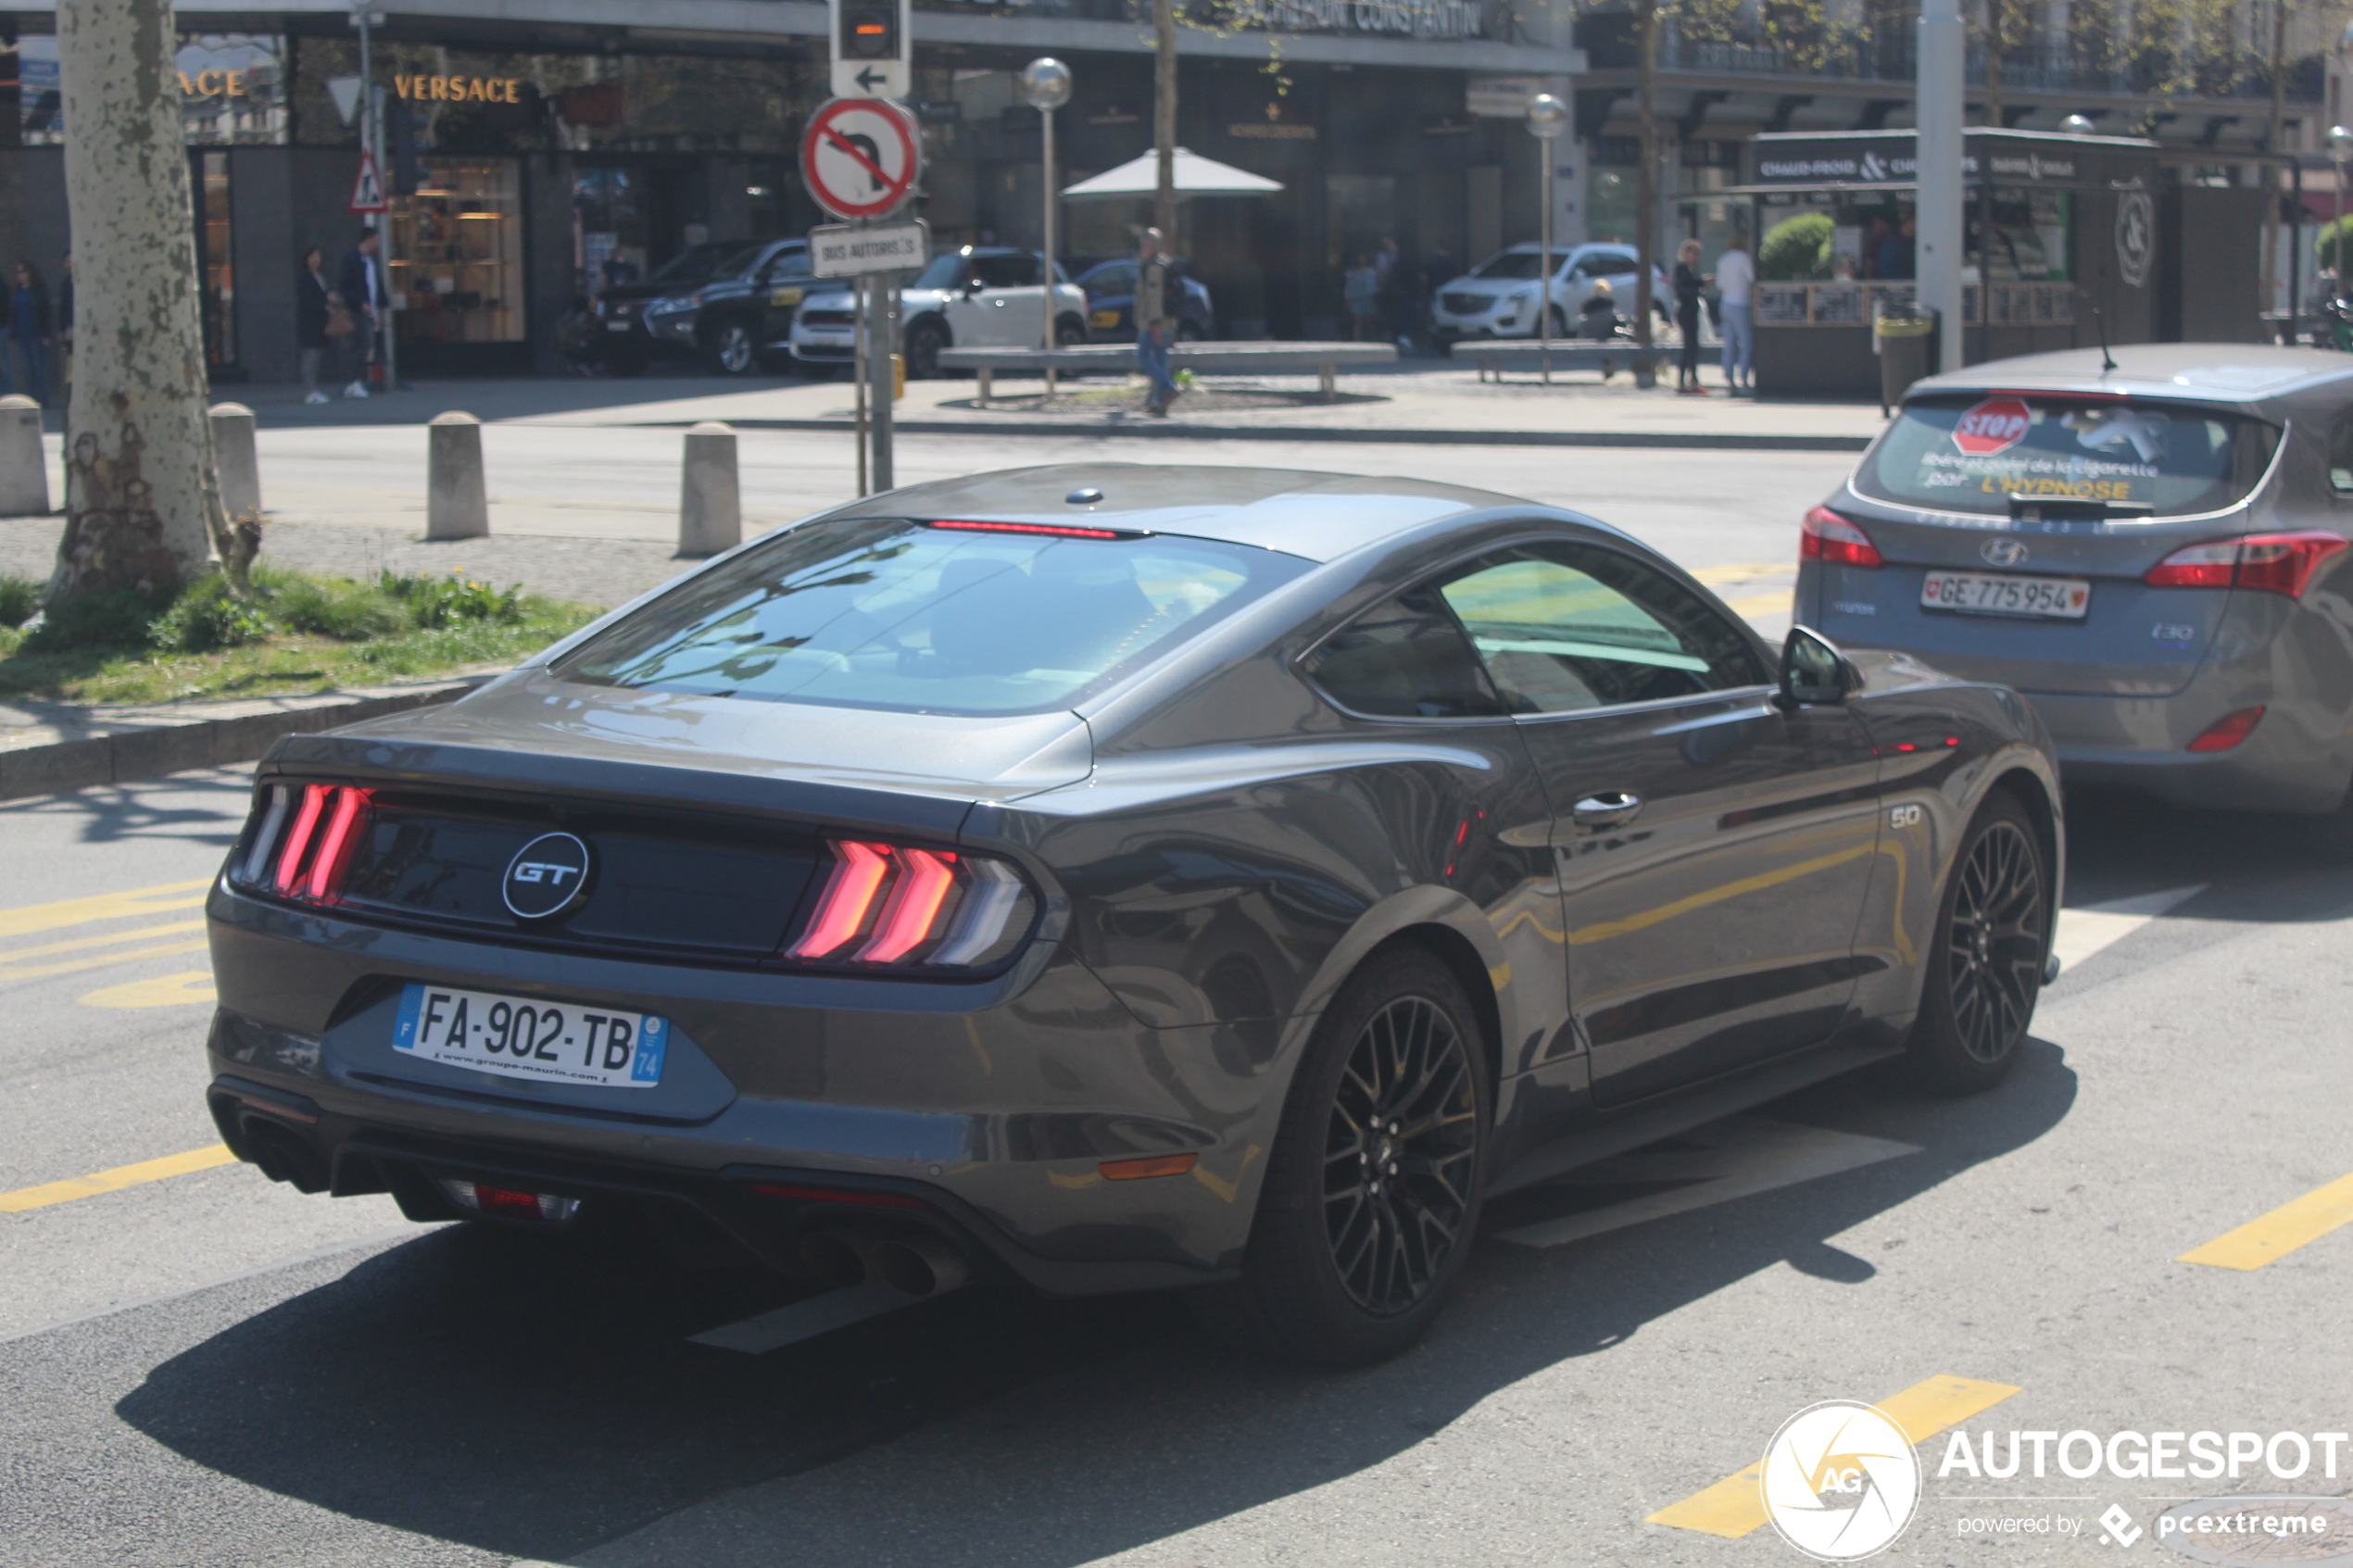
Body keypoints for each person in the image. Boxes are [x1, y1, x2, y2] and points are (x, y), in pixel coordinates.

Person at [1135, 227, 1178, 417]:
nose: (1143, 248)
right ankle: (1160, 403)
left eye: (1146, 245)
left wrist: (1154, 325)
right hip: (1166, 321)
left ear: (1154, 246)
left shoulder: (1153, 268)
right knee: (1161, 360)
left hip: (1153, 322)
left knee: (1143, 356)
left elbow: (1153, 298)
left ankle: (1169, 387)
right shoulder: (1163, 264)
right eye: (1142, 245)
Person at [337, 229, 384, 399]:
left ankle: (354, 381)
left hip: (368, 310)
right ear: (369, 239)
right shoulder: (352, 260)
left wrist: (377, 308)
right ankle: (353, 381)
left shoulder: (369, 261)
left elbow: (375, 287)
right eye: (376, 239)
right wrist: (359, 303)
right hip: (356, 311)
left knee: (364, 345)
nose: (378, 243)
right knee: (363, 343)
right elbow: (344, 287)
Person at [296, 245, 341, 405]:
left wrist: (331, 298)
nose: (316, 260)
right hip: (309, 322)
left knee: (317, 357)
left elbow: (325, 293)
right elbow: (308, 300)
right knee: (310, 356)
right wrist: (325, 304)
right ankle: (310, 390)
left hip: (321, 322)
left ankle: (313, 389)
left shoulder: (320, 276)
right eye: (312, 256)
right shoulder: (305, 278)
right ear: (306, 259)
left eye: (318, 257)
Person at [6, 262, 52, 408]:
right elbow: (13, 314)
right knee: (27, 369)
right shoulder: (18, 292)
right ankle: (31, 399)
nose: (21, 275)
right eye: (19, 272)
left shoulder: (38, 292)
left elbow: (45, 314)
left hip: (37, 335)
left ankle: (43, 399)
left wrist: (46, 334)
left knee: (39, 368)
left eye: (23, 271)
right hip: (21, 335)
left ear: (30, 272)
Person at [1715, 232, 1755, 395]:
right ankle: (1743, 377)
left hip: (1725, 303)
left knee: (1729, 344)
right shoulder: (1744, 258)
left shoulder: (1724, 259)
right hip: (1741, 303)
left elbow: (1719, 284)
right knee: (1746, 343)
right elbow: (1752, 278)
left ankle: (1729, 379)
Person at [1671, 238, 1707, 395]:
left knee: (1692, 346)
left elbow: (1693, 285)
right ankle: (1686, 381)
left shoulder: (1691, 269)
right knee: (1689, 346)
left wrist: (1701, 283)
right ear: (1686, 253)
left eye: (1698, 253)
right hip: (1685, 310)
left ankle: (1691, 380)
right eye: (1693, 252)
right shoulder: (1681, 268)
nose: (1696, 256)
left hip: (1692, 310)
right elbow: (1684, 289)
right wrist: (1700, 286)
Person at [1579, 277, 1624, 381]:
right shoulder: (1610, 303)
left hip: (1592, 334)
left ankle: (1608, 366)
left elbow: (1583, 317)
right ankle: (1610, 366)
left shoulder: (1588, 304)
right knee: (1611, 346)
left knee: (1606, 347)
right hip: (1608, 333)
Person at [1343, 255, 1382, 342]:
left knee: (1369, 321)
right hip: (1357, 300)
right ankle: (1357, 341)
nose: (1361, 260)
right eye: (1359, 258)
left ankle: (1373, 340)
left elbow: (1376, 286)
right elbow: (1349, 287)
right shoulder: (1352, 273)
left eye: (1363, 258)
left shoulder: (1372, 272)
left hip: (1369, 299)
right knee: (1357, 322)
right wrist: (1348, 299)